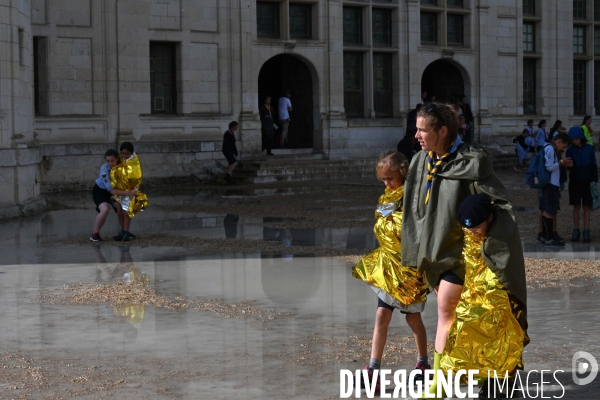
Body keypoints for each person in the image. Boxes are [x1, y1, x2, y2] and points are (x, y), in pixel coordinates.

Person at [401, 102, 526, 398]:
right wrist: (412, 255)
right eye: (416, 128)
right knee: (468, 320)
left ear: (442, 131)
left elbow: (499, 205)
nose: (416, 134)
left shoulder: (472, 161)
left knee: (448, 314)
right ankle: (487, 375)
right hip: (433, 256)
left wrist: (483, 230)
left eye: (422, 129)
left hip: (464, 257)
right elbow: (414, 211)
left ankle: (438, 387)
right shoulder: (420, 160)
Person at [352, 151, 429, 393]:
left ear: (403, 173)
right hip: (388, 265)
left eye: (390, 178)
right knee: (381, 316)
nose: (386, 183)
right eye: (383, 179)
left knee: (412, 317)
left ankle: (423, 364)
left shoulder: (413, 195)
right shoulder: (387, 195)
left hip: (408, 267)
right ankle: (373, 370)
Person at [441, 195, 528, 398]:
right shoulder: (466, 232)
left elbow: (508, 264)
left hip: (499, 290)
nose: (473, 231)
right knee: (474, 334)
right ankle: (489, 381)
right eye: (469, 228)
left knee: (503, 334)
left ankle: (506, 381)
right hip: (473, 291)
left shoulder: (502, 233)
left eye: (477, 227)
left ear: (489, 218)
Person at [90, 149, 136, 242]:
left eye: (112, 161)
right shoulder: (104, 170)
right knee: (105, 209)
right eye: (108, 161)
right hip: (101, 191)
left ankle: (124, 231)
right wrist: (127, 193)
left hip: (118, 190)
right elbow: (111, 190)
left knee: (123, 210)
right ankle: (95, 234)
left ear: (117, 159)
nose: (110, 163)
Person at [539, 132, 573, 246]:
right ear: (558, 142)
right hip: (550, 184)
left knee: (548, 210)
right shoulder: (549, 148)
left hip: (551, 184)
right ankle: (548, 237)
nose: (562, 149)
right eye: (563, 146)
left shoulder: (549, 148)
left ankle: (547, 235)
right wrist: (561, 162)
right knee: (549, 210)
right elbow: (549, 166)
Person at [111, 142, 149, 241]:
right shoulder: (120, 160)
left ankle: (126, 231)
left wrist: (135, 190)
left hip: (130, 191)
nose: (124, 155)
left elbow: (139, 177)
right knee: (119, 212)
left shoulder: (135, 161)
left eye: (127, 153)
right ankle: (122, 231)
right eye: (123, 153)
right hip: (119, 190)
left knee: (126, 212)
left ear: (131, 153)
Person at [566, 126, 598, 242]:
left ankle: (586, 230)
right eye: (572, 139)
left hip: (587, 181)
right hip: (575, 181)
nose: (574, 141)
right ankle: (576, 230)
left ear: (581, 138)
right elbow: (569, 166)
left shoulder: (589, 148)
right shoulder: (570, 150)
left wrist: (595, 180)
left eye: (576, 138)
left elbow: (594, 165)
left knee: (586, 207)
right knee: (576, 207)